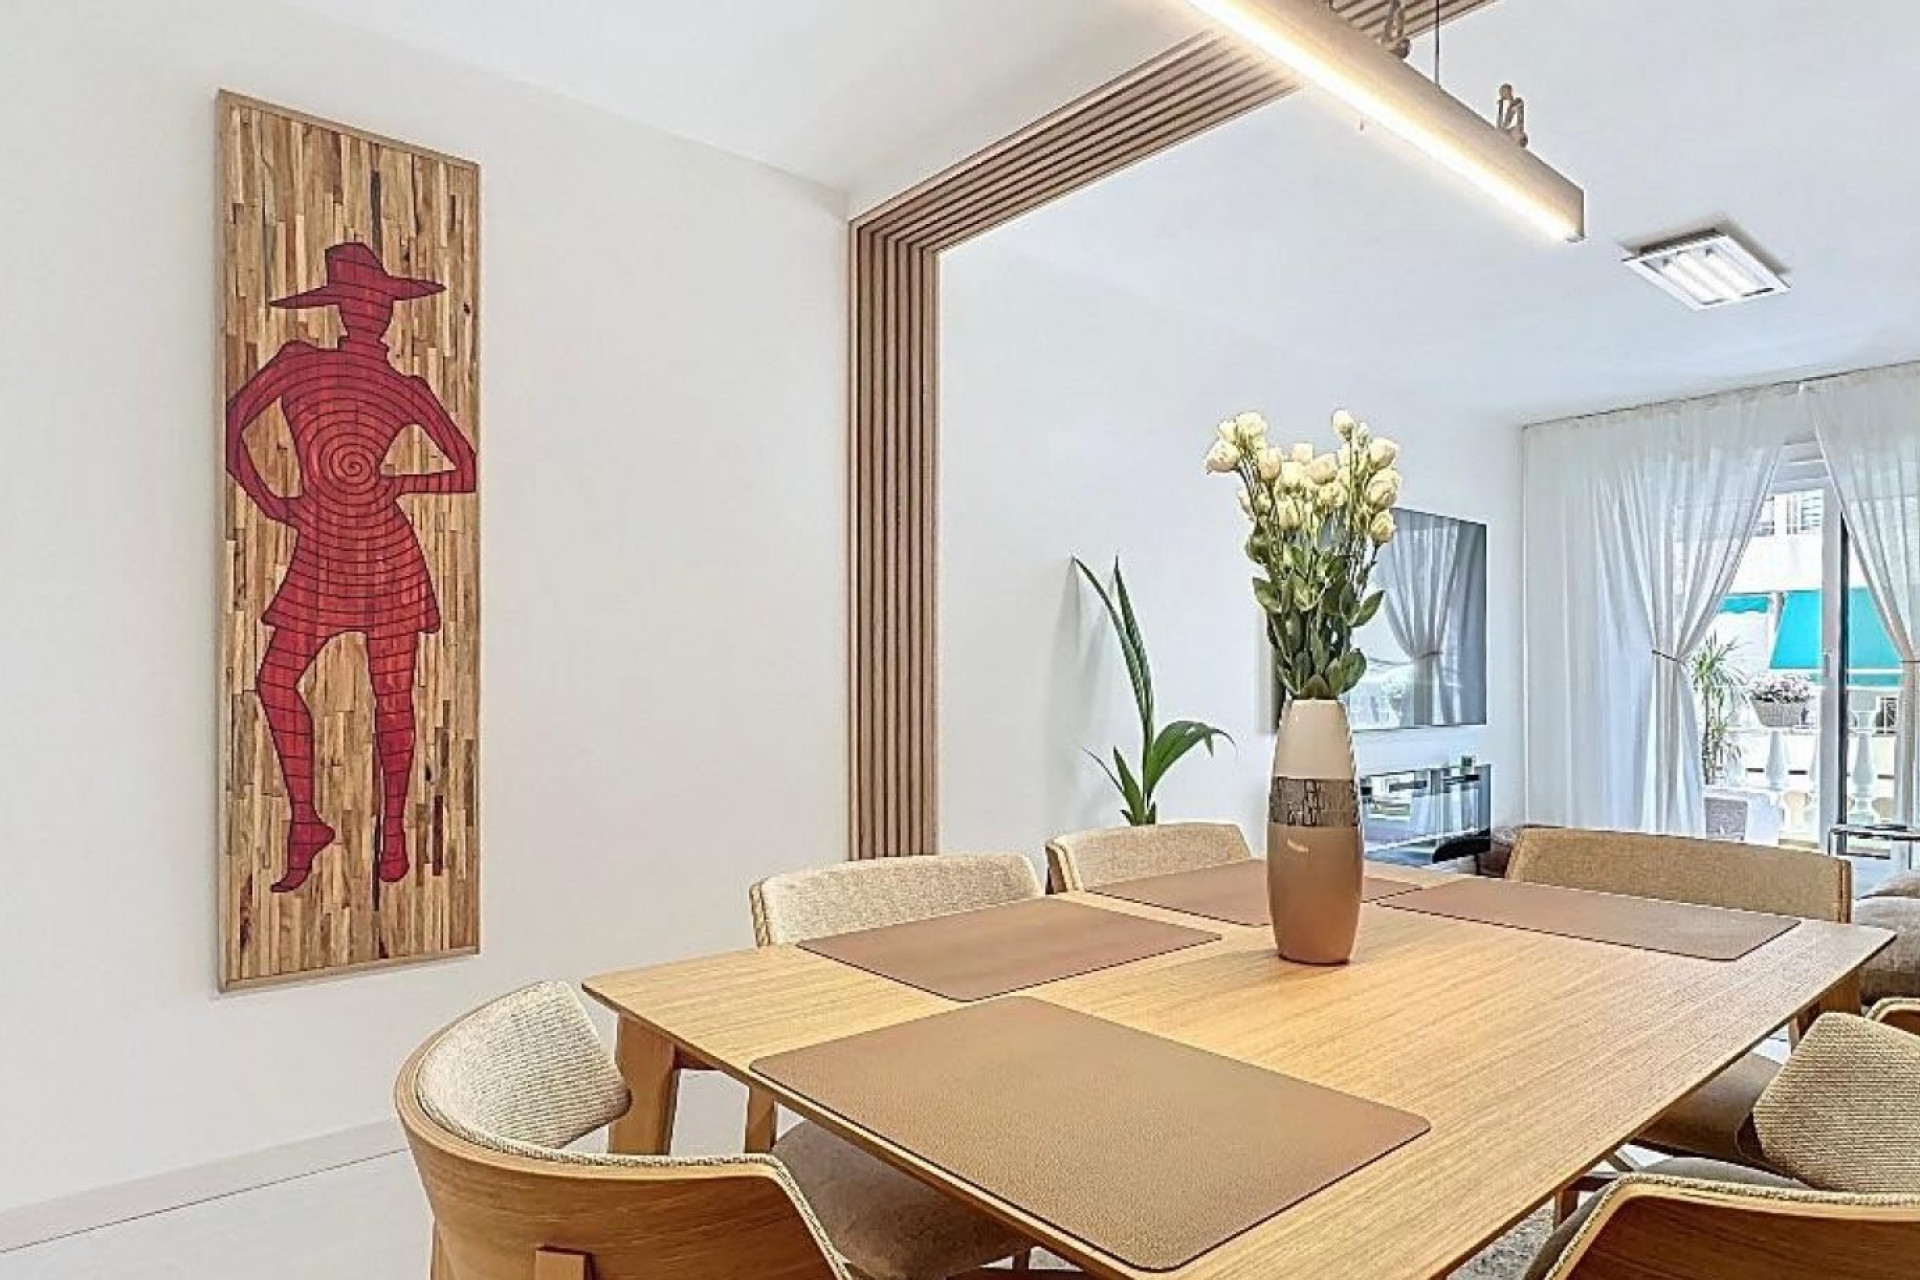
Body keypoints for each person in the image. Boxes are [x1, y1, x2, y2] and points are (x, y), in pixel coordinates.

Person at [225, 241, 476, 892]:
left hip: (389, 554)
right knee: (275, 682)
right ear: (340, 307)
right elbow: (231, 427)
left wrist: (401, 483)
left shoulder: (406, 387)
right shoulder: (298, 364)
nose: (373, 312)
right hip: (323, 549)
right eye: (361, 300)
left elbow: (466, 469)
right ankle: (306, 820)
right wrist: (269, 501)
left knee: (392, 699)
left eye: (380, 301)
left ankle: (393, 829)